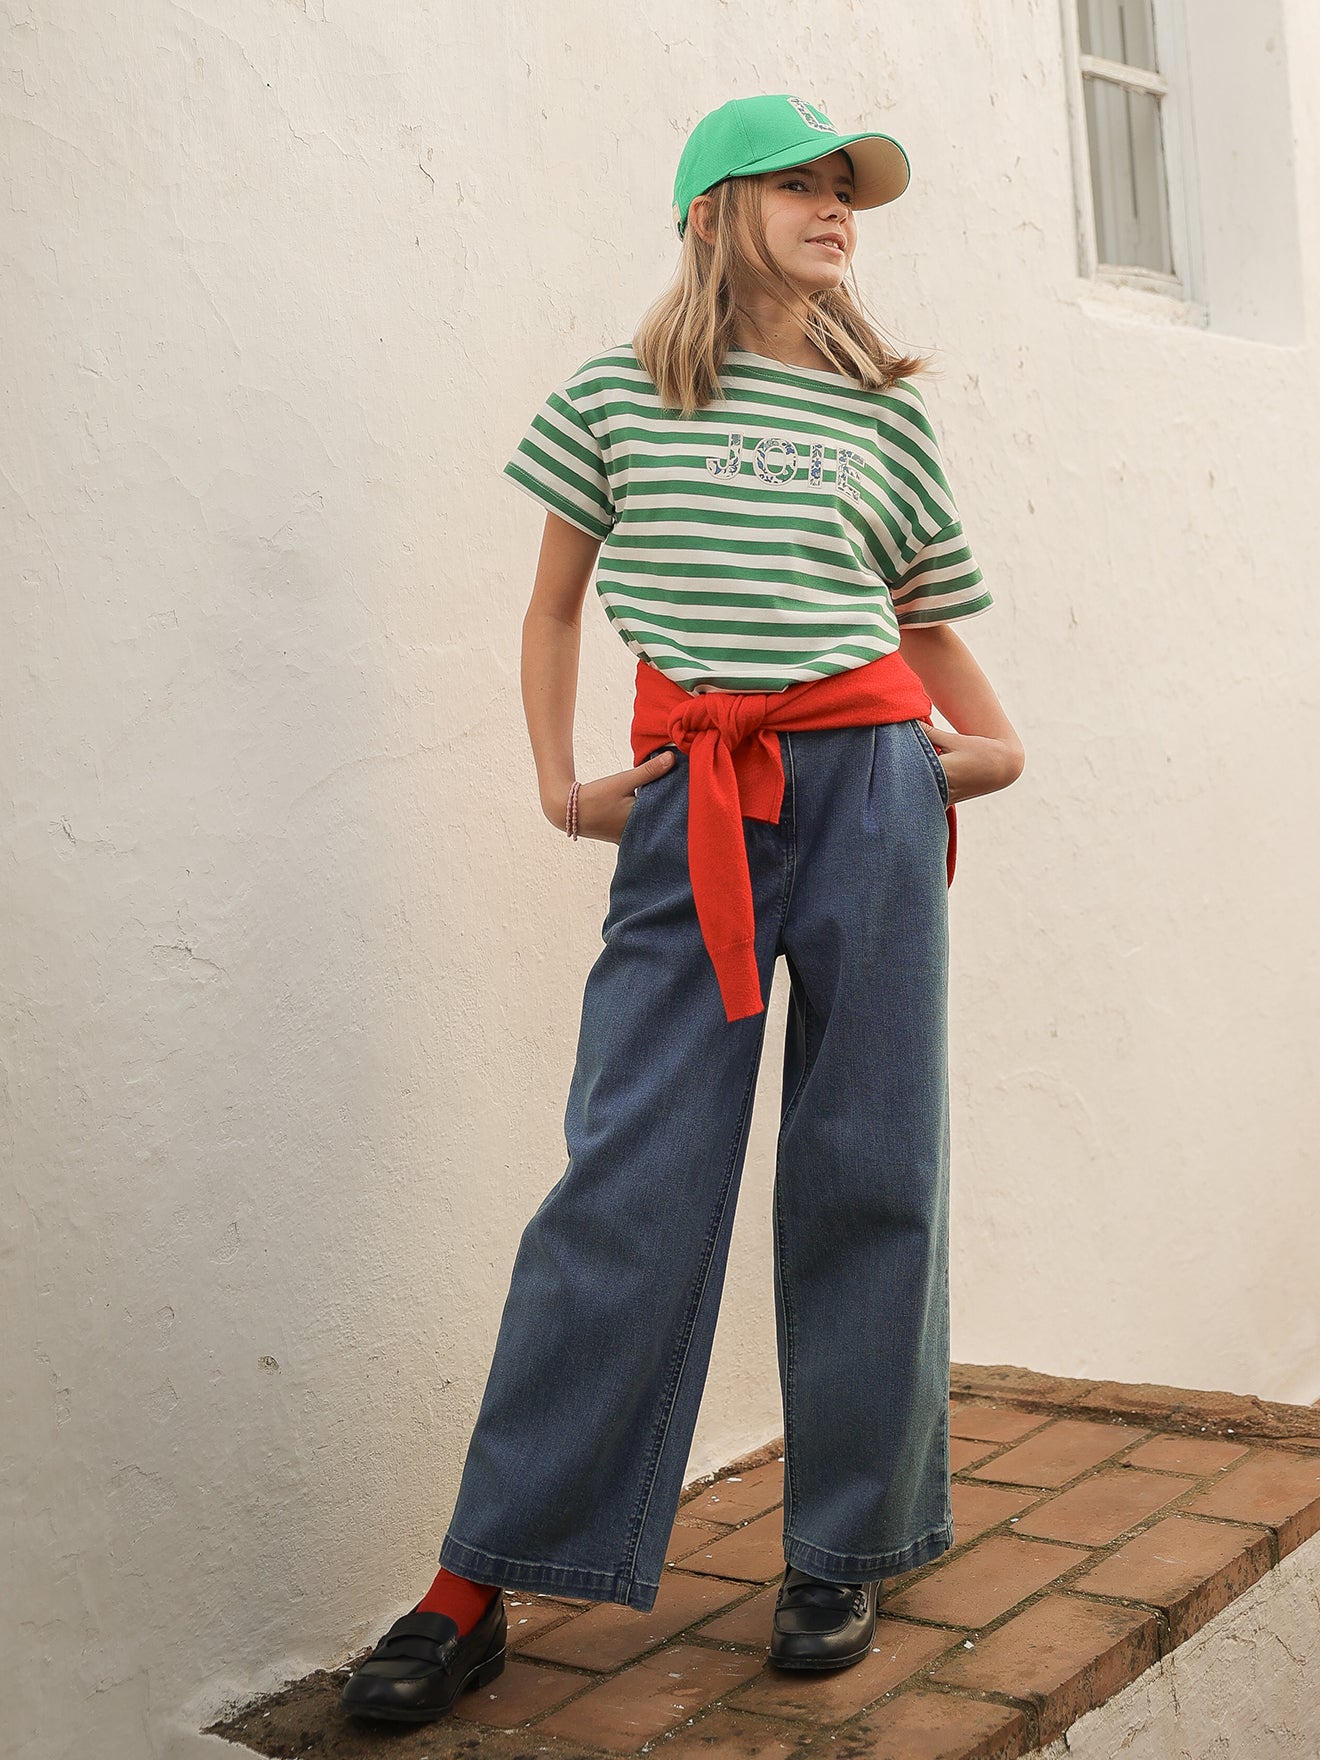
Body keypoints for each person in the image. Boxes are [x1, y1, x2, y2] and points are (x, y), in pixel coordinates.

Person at [340, 92, 1025, 1726]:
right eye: (798, 185)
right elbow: (552, 606)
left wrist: (992, 747)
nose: (835, 208)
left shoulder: (885, 421)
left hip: (873, 789)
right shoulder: (615, 397)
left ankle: (845, 1546)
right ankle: (477, 1578)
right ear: (711, 211)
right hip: (693, 797)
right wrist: (557, 782)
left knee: (873, 1162)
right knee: (626, 1176)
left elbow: (926, 626)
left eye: (847, 190)